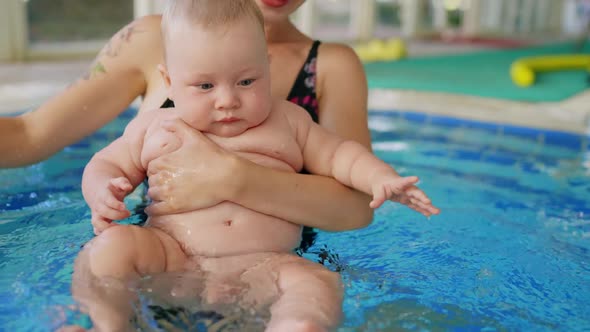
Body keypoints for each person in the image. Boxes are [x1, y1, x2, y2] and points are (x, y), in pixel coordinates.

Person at [72, 0, 440, 331]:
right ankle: (107, 323)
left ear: (267, 67)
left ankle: (296, 324)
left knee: (316, 282)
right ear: (169, 81)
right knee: (111, 246)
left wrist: (381, 178)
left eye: (247, 81)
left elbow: (342, 155)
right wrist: (102, 189)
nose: (228, 100)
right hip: (171, 256)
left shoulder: (290, 122)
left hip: (265, 264)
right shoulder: (155, 126)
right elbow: (105, 162)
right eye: (204, 86)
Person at [0, 0, 377, 236]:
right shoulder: (151, 39)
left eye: (247, 80)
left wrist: (236, 179)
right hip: (161, 259)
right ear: (169, 77)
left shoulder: (330, 66)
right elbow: (29, 133)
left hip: (282, 268)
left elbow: (358, 208)